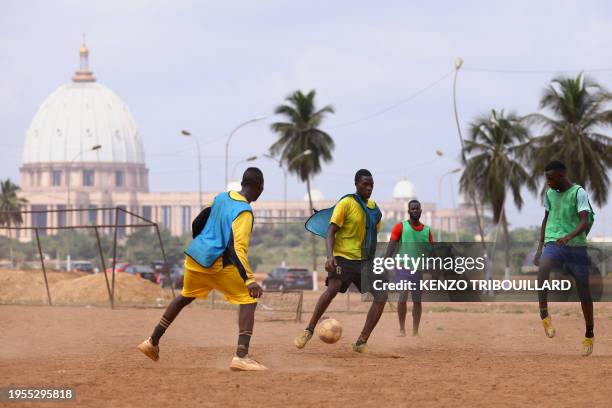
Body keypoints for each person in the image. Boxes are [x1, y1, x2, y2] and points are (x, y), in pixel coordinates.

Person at [137, 168, 267, 370]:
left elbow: (197, 222)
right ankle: (241, 356)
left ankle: (152, 342)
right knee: (249, 299)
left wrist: (203, 243)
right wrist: (249, 279)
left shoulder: (221, 198)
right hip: (217, 264)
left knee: (185, 296)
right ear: (260, 189)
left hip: (195, 258)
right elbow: (236, 248)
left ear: (242, 183)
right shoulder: (244, 211)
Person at [295, 169, 387, 353]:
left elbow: (372, 235)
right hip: (343, 258)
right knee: (333, 288)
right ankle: (309, 330)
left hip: (363, 261)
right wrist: (330, 256)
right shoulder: (346, 203)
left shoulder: (374, 210)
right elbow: (331, 231)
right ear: (356, 184)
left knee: (381, 296)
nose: (368, 188)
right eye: (365, 184)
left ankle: (361, 342)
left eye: (371, 185)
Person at [533, 160, 595, 357]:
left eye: (550, 179)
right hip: (554, 242)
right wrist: (539, 247)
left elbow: (584, 221)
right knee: (543, 268)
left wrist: (569, 236)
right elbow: (545, 220)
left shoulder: (579, 193)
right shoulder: (550, 194)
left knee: (584, 292)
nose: (548, 183)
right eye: (546, 179)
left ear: (562, 175)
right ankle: (544, 314)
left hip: (575, 246)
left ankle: (589, 333)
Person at [384, 199, 433, 336]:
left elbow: (430, 252)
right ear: (408, 211)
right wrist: (385, 261)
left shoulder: (427, 231)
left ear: (421, 211)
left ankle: (415, 331)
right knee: (403, 294)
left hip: (417, 270)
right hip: (402, 267)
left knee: (417, 299)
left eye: (417, 208)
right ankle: (401, 329)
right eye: (413, 208)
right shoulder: (401, 227)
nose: (415, 211)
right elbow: (392, 245)